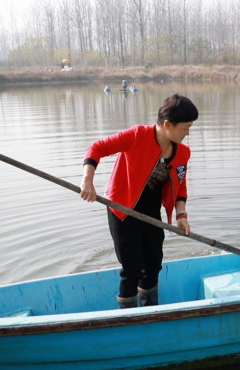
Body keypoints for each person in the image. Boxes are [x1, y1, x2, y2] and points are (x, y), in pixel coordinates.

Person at [80, 94, 198, 309]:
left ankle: (150, 308)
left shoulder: (182, 152)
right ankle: (128, 315)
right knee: (132, 268)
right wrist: (87, 181)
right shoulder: (136, 136)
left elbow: (180, 186)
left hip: (150, 211)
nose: (187, 133)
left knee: (153, 264)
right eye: (185, 127)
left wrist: (181, 215)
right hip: (122, 208)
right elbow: (96, 148)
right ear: (167, 124)